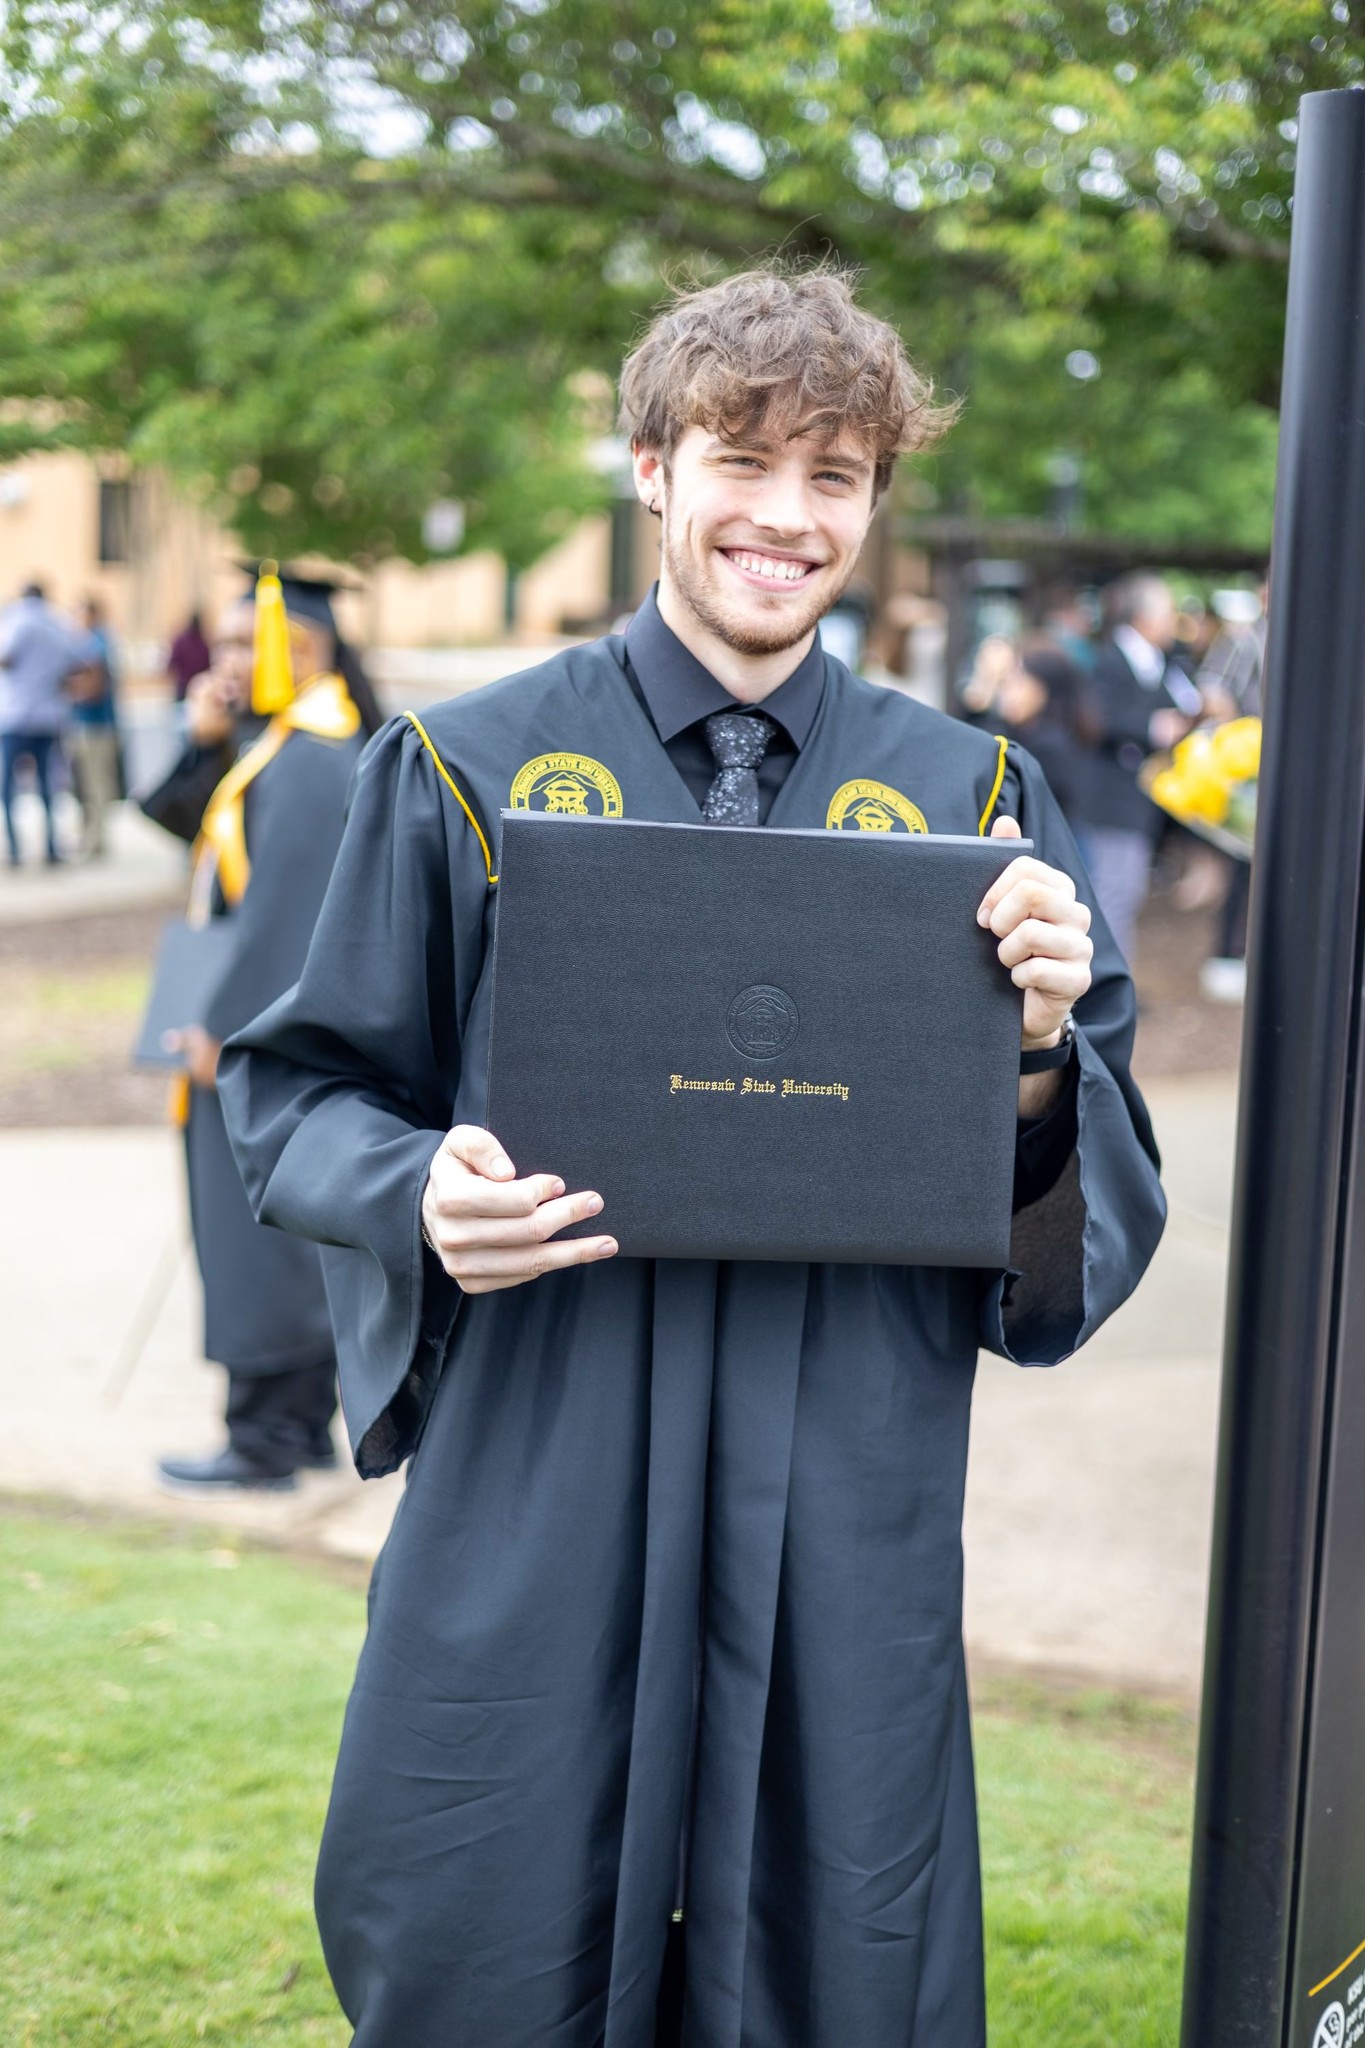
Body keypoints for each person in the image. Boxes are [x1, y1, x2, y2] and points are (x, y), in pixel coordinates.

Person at [219, 267, 1165, 2046]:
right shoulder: (469, 769)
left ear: (875, 503)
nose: (789, 519)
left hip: (845, 1500)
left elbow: (1087, 1198)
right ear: (652, 465)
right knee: (488, 1937)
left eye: (839, 476)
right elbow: (299, 1091)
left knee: (826, 1961)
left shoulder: (971, 797)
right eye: (746, 461)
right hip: (547, 1457)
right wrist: (420, 1190)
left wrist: (1039, 1057)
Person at [149, 567, 384, 1494]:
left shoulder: (312, 759)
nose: (229, 661)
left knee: (258, 1242)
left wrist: (226, 1036)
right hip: (260, 1040)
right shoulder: (284, 743)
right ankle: (296, 1426)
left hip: (254, 1050)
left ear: (307, 649)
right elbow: (188, 832)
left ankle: (266, 1441)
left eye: (247, 643)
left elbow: (288, 922)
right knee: (272, 1239)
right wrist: (204, 740)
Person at [1070, 571, 1202, 964]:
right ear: (1144, 617)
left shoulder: (1161, 660)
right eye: (1167, 611)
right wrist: (1152, 727)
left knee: (1124, 891)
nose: (1173, 619)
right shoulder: (1110, 659)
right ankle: (1104, 990)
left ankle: (1111, 984)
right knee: (1114, 891)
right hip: (1112, 799)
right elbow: (1097, 719)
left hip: (1138, 797)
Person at [0, 579, 84, 865]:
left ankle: (14, 849)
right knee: (49, 785)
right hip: (49, 717)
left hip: (16, 715)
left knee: (8, 787)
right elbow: (75, 664)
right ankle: (51, 847)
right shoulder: (57, 622)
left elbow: (5, 656)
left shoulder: (18, 618)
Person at [65, 596, 122, 859]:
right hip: (91, 724)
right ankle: (93, 834)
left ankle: (96, 837)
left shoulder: (95, 642)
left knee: (95, 783)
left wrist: (69, 690)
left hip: (95, 724)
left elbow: (94, 686)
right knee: (87, 783)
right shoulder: (96, 640)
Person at [166, 608, 212, 701]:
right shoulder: (203, 643)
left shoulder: (182, 641)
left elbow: (173, 661)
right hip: (195, 685)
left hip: (186, 684)